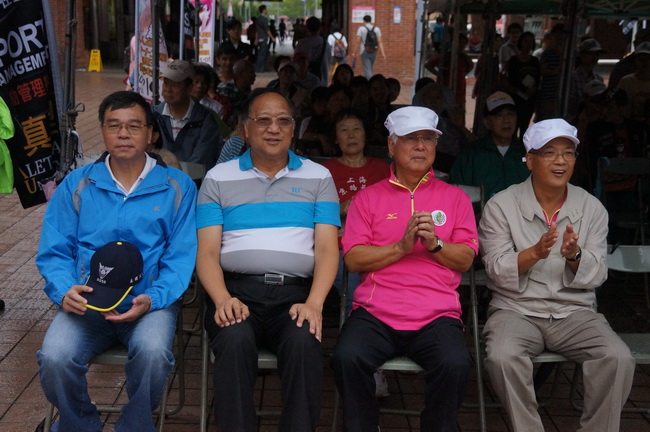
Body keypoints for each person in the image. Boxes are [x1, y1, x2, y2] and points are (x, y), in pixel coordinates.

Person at [36, 91, 198, 432]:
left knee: (153, 355)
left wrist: (154, 297)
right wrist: (64, 290)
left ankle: (133, 426)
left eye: (134, 126)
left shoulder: (177, 186)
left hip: (148, 304)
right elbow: (54, 249)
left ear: (151, 134)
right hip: (87, 304)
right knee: (54, 357)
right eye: (114, 126)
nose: (123, 134)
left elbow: (181, 256)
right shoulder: (79, 183)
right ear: (103, 131)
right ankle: (80, 424)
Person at [196, 88, 340, 432]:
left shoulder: (319, 177)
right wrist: (222, 299)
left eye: (283, 121)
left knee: (304, 342)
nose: (274, 129)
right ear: (245, 128)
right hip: (236, 292)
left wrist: (315, 303)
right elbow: (207, 252)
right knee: (233, 340)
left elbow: (327, 249)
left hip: (297, 294)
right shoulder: (218, 177)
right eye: (263, 120)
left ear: (293, 129)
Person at [478, 118, 635, 432]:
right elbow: (494, 269)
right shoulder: (501, 205)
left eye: (568, 153)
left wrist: (574, 255)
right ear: (530, 160)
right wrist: (534, 253)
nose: (560, 161)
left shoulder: (592, 208)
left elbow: (598, 273)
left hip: (575, 312)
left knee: (618, 358)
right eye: (549, 152)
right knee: (502, 357)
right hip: (516, 310)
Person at [330, 106, 478, 432]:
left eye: (428, 138)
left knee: (456, 364)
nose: (421, 146)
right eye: (411, 138)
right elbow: (353, 259)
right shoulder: (367, 198)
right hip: (376, 312)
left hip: (437, 314)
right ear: (391, 145)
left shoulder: (455, 198)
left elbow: (466, 259)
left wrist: (435, 244)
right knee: (346, 357)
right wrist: (400, 247)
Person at [450, 91, 530, 200]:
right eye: (499, 115)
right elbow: (455, 191)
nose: (506, 120)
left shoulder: (527, 152)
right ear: (487, 122)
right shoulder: (471, 154)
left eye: (510, 114)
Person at [153, 59, 221, 169]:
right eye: (166, 83)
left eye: (175, 85)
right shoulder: (154, 115)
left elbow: (200, 162)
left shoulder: (205, 120)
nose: (168, 90)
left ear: (189, 88)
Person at [505, 31, 539, 137]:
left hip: (530, 99)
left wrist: (533, 89)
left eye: (531, 42)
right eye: (526, 41)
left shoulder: (535, 61)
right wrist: (524, 90)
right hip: (516, 97)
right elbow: (512, 79)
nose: (528, 44)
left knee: (525, 125)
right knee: (514, 126)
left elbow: (538, 78)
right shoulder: (514, 61)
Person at [568, 38, 606, 119]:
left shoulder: (598, 79)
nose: (594, 57)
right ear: (582, 56)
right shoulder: (573, 77)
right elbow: (571, 106)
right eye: (591, 54)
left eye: (597, 54)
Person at [353, 15, 386, 79]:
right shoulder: (377, 29)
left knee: (367, 69)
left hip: (364, 50)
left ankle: (370, 82)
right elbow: (380, 41)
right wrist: (383, 53)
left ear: (364, 21)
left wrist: (354, 52)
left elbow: (357, 41)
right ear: (371, 20)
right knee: (369, 68)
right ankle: (369, 80)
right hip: (374, 50)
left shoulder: (361, 29)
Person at [254, 5, 275, 72]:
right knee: (262, 53)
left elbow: (257, 30)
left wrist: (256, 39)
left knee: (263, 53)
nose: (267, 11)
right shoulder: (264, 19)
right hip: (263, 37)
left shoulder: (258, 19)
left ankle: (262, 67)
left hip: (259, 37)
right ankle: (260, 68)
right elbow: (267, 30)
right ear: (263, 10)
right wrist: (272, 37)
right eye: (266, 9)